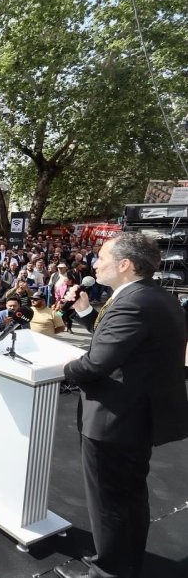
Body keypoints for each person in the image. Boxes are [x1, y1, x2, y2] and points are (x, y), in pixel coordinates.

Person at [54, 233, 188, 578]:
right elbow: (121, 343)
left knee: (109, 504)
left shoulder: (133, 302)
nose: (95, 263)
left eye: (101, 257)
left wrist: (58, 369)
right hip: (137, 417)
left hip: (116, 420)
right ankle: (127, 564)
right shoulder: (154, 296)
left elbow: (97, 362)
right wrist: (85, 311)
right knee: (129, 499)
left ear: (125, 265)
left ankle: (108, 571)